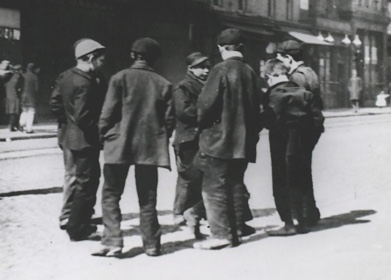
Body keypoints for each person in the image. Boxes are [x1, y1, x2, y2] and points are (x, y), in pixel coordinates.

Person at [92, 38, 174, 257]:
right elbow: (169, 121)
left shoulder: (119, 78)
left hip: (119, 145)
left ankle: (113, 242)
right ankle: (152, 245)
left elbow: (106, 115)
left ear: (132, 55)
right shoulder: (163, 84)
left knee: (111, 194)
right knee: (148, 198)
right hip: (149, 148)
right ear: (155, 59)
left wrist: (104, 137)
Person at [191, 28, 262, 250]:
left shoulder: (219, 70)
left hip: (218, 141)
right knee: (235, 184)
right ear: (241, 48)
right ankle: (237, 229)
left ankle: (221, 234)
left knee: (213, 187)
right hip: (243, 142)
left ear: (221, 48)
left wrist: (201, 126)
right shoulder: (250, 72)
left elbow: (205, 106)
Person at [50, 38, 107, 241]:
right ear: (90, 58)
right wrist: (99, 133)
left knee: (78, 178)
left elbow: (55, 103)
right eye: (101, 59)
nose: (103, 63)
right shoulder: (85, 82)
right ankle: (76, 224)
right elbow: (84, 116)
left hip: (70, 136)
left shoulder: (66, 76)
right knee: (85, 181)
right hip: (84, 139)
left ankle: (78, 219)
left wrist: (66, 124)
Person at [261, 59, 325, 236]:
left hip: (280, 144)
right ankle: (301, 221)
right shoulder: (305, 93)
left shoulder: (272, 95)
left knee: (281, 181)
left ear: (270, 76)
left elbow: (267, 120)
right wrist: (307, 142)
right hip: (301, 145)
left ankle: (288, 223)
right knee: (300, 180)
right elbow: (318, 121)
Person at [275, 39, 323, 226]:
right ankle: (310, 211)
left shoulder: (296, 77)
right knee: (304, 170)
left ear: (289, 58)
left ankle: (302, 214)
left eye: (281, 58)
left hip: (300, 130)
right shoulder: (309, 72)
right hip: (312, 127)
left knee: (295, 173)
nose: (280, 62)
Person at [172, 52, 209, 229]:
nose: (206, 70)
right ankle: (179, 212)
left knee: (199, 176)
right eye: (201, 67)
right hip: (187, 138)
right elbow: (185, 112)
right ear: (191, 69)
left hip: (199, 137)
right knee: (187, 177)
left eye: (207, 66)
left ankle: (194, 212)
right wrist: (207, 112)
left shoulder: (206, 85)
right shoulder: (183, 87)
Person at [20, 63, 40, 133]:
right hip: (31, 97)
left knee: (24, 111)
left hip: (23, 96)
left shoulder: (23, 76)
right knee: (31, 112)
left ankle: (21, 124)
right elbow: (36, 89)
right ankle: (29, 129)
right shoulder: (34, 77)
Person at [5, 64, 24, 132]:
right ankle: (14, 125)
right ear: (18, 70)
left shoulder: (8, 77)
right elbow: (19, 88)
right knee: (16, 112)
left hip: (9, 96)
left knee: (12, 112)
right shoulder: (18, 77)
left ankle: (12, 125)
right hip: (15, 96)